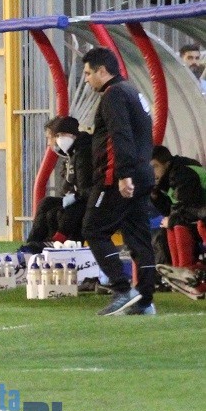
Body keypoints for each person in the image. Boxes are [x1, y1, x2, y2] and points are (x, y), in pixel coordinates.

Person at [81, 46, 158, 316]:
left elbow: (120, 134)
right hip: (143, 173)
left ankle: (122, 289)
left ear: (103, 71)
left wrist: (123, 175)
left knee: (94, 229)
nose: (86, 79)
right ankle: (144, 300)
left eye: (88, 73)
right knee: (138, 237)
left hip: (117, 177)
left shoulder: (113, 95)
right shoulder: (133, 91)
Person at [20, 116, 92, 253]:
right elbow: (69, 183)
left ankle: (56, 242)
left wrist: (73, 196)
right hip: (80, 197)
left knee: (60, 213)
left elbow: (85, 187)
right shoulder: (71, 154)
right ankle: (32, 244)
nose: (51, 142)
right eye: (56, 136)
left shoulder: (84, 152)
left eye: (55, 136)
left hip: (89, 199)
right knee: (46, 203)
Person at [150, 145, 206, 299]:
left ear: (167, 164)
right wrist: (155, 196)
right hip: (199, 215)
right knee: (172, 224)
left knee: (178, 222)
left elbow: (188, 205)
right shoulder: (168, 179)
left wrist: (171, 219)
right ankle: (180, 273)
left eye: (155, 166)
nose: (152, 172)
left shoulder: (183, 173)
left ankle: (185, 270)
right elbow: (171, 210)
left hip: (201, 216)